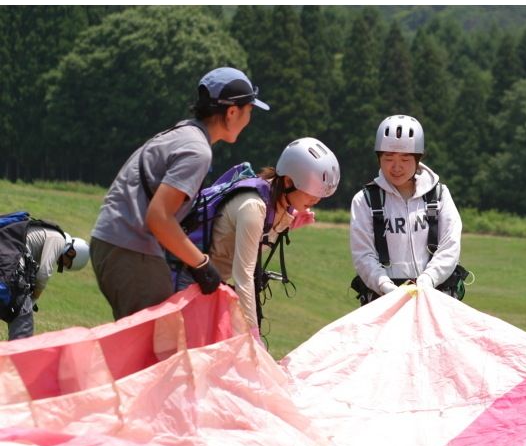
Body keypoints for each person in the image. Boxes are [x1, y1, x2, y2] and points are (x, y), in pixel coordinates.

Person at [90, 67, 269, 320]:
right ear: (231, 112)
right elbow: (159, 217)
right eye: (249, 110)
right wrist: (202, 264)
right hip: (131, 249)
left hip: (116, 243)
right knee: (158, 348)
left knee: (147, 346)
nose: (249, 119)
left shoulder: (183, 135)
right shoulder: (197, 151)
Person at [173, 137, 340, 341]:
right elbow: (244, 277)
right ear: (288, 182)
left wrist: (288, 221)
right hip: (189, 282)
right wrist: (252, 334)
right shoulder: (254, 207)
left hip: (211, 284)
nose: (316, 201)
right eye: (311, 194)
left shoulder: (277, 203)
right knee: (189, 360)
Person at [350, 114, 462, 304]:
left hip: (435, 297)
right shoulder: (365, 201)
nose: (396, 167)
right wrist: (387, 288)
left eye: (405, 159)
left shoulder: (440, 195)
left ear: (418, 159)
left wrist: (426, 282)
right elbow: (364, 256)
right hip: (384, 299)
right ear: (378, 158)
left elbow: (449, 246)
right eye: (388, 158)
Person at [6, 228, 89, 340]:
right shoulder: (58, 239)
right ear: (71, 252)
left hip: (7, 260)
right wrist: (34, 298)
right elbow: (44, 274)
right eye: (67, 264)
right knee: (24, 318)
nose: (62, 265)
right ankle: (18, 356)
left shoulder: (47, 235)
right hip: (10, 265)